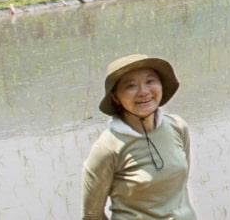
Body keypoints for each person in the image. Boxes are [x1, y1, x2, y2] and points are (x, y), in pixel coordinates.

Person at [82, 54, 195, 220]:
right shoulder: (107, 148)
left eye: (150, 82)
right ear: (115, 97)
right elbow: (92, 215)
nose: (144, 92)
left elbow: (180, 188)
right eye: (131, 86)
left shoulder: (177, 127)